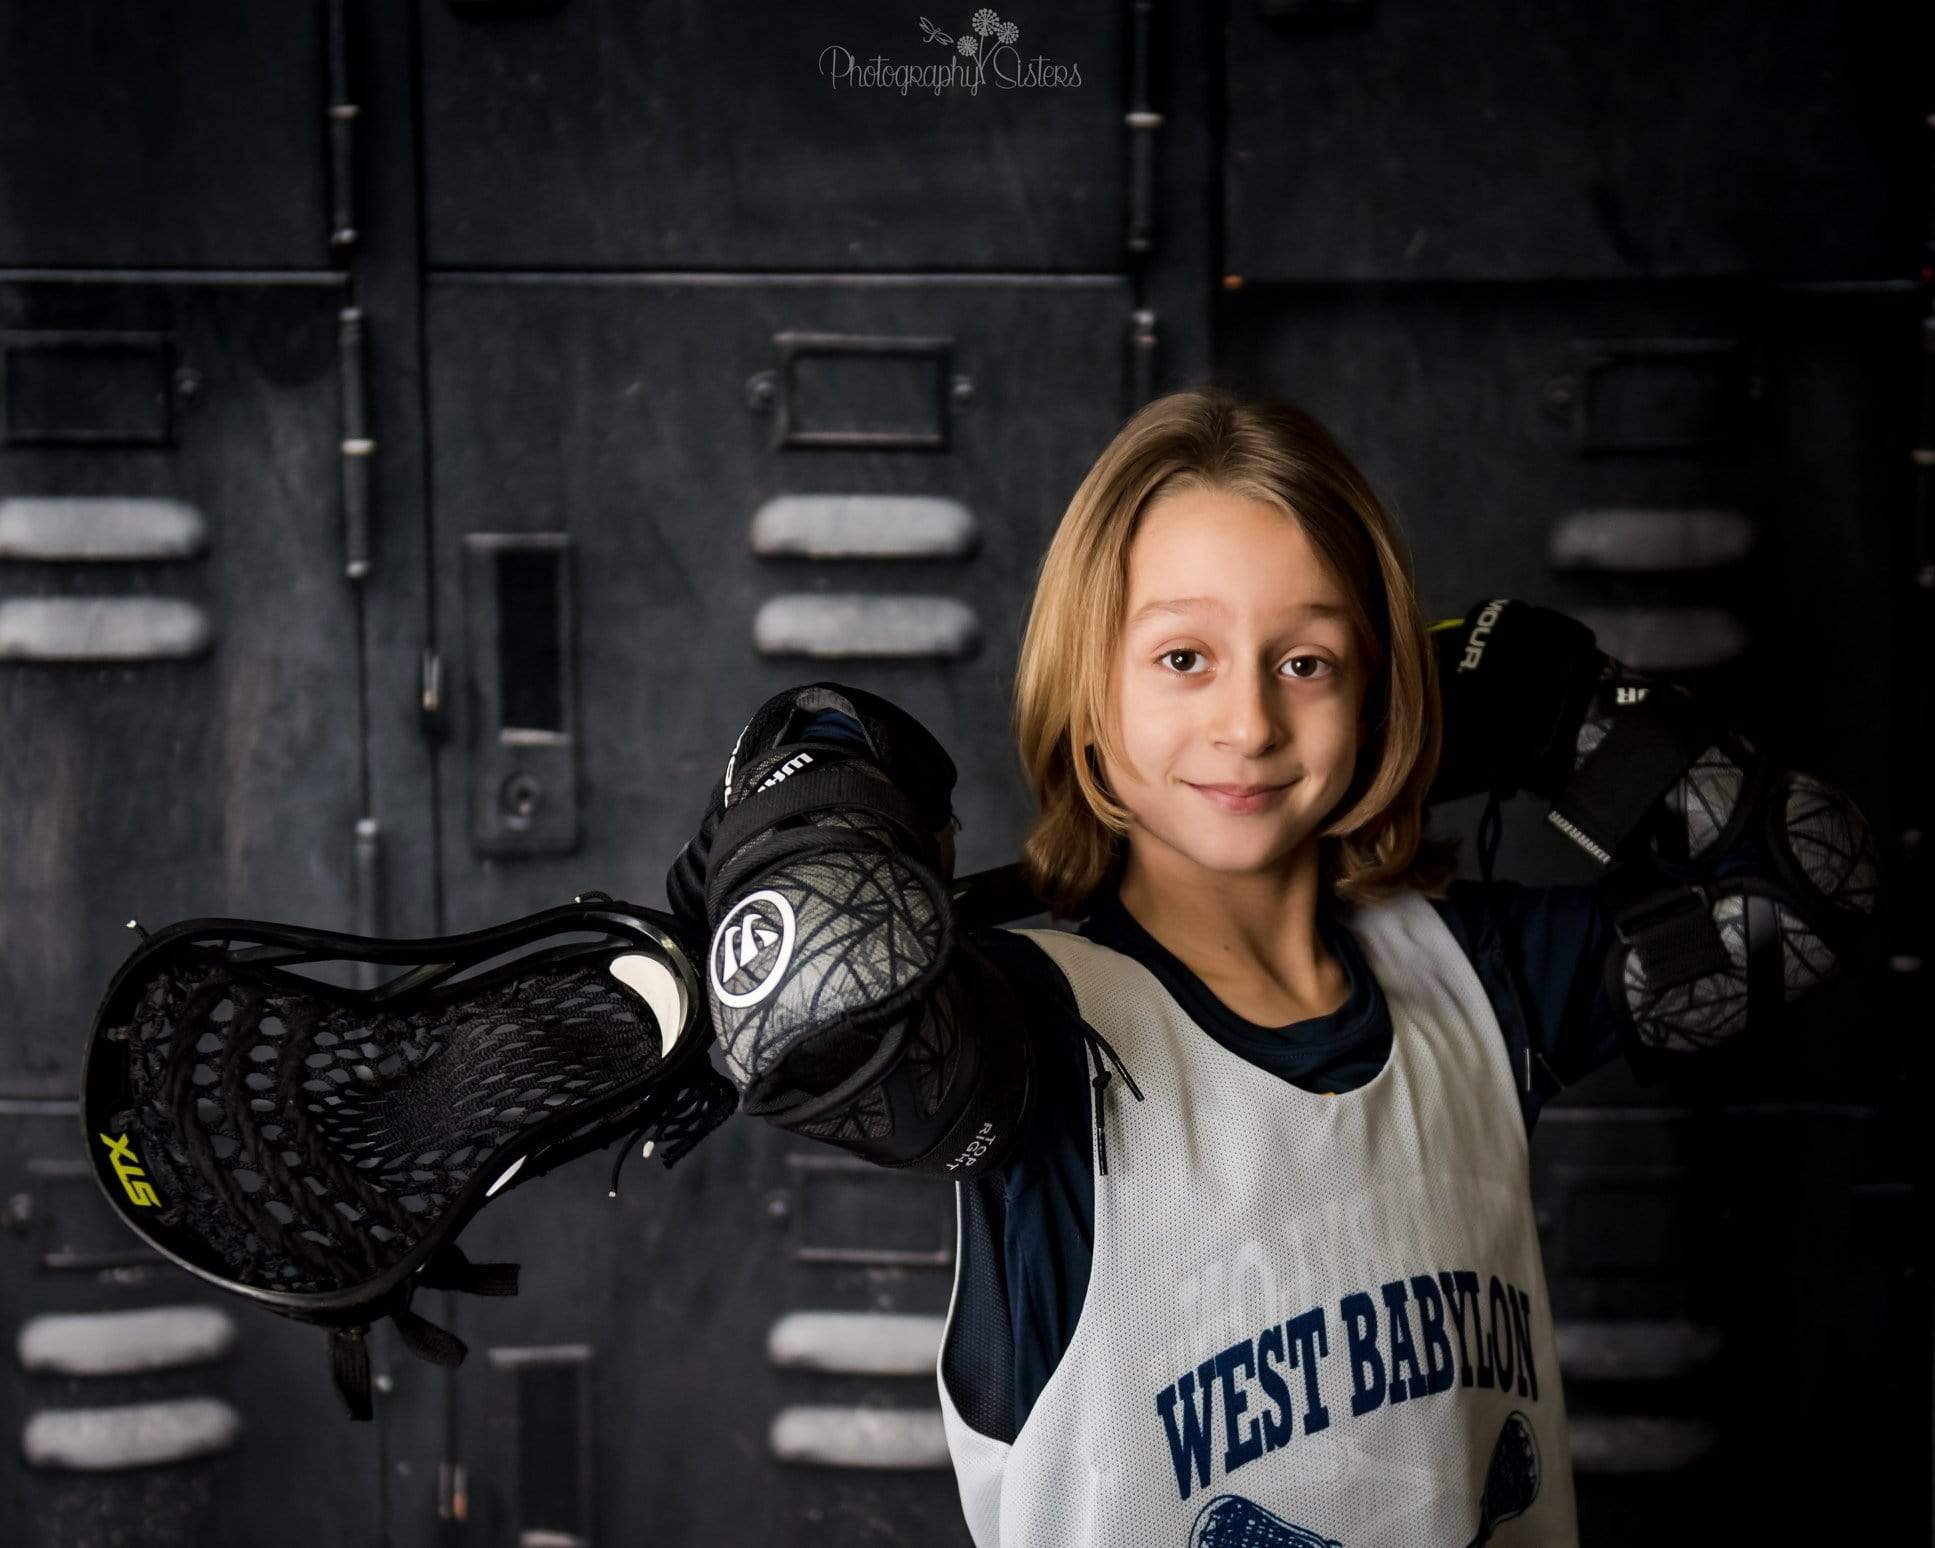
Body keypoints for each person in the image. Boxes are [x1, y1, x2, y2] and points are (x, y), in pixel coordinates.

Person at [666, 388, 1879, 1547]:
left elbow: (1808, 887)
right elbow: (820, 1012)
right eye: (1182, 659)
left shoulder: (1479, 974)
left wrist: (1551, 714)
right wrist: (816, 827)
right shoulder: (1034, 1032)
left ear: (1377, 689)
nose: (1249, 724)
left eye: (1307, 663)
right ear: (1088, 693)